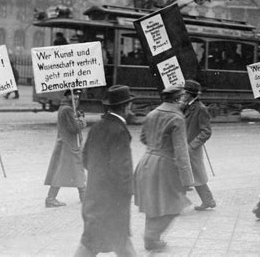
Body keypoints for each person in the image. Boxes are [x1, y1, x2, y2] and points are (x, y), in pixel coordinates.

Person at [75, 85, 136, 257]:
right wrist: (128, 192)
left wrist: (98, 175)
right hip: (113, 201)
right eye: (129, 105)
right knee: (102, 243)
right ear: (125, 107)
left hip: (95, 196)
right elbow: (121, 170)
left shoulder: (97, 127)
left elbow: (85, 158)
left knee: (108, 242)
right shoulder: (119, 131)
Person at [134, 85, 194, 251]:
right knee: (177, 202)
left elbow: (143, 138)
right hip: (164, 164)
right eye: (183, 98)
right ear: (177, 99)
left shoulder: (151, 114)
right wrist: (187, 179)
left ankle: (152, 239)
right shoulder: (177, 118)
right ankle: (151, 236)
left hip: (146, 162)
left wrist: (156, 146)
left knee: (153, 202)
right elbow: (181, 151)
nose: (185, 101)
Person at [44, 89, 86, 207]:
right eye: (74, 95)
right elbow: (75, 128)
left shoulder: (66, 108)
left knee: (74, 169)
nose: (76, 98)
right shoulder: (67, 109)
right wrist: (81, 120)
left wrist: (76, 115)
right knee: (67, 170)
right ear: (68, 96)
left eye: (78, 95)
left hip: (67, 143)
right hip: (69, 145)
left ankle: (83, 195)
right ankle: (51, 198)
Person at [181, 80, 216, 211]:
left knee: (195, 176)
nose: (182, 94)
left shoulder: (200, 108)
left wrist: (192, 146)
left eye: (184, 92)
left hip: (191, 149)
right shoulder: (186, 106)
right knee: (189, 175)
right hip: (184, 147)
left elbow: (206, 131)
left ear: (190, 94)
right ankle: (208, 200)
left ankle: (207, 200)